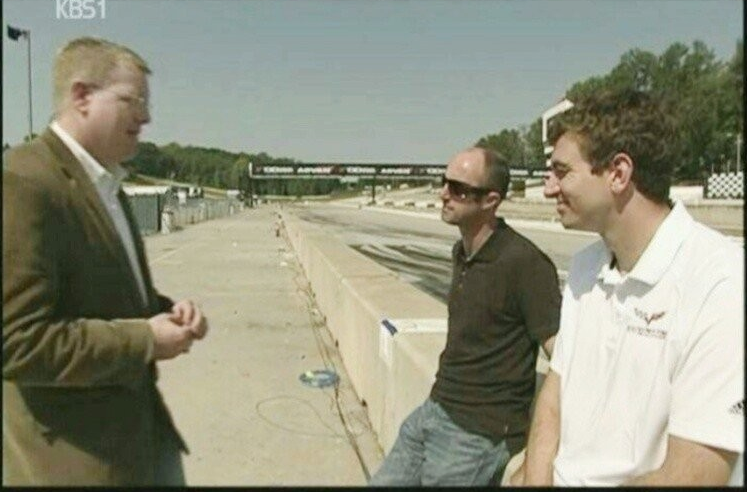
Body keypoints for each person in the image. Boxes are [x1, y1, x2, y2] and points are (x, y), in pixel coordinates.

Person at [3, 37, 209, 486]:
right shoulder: (25, 181)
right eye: (132, 100)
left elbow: (105, 295)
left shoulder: (105, 183)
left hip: (140, 437)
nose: (146, 117)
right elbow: (17, 341)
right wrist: (144, 340)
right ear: (82, 97)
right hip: (79, 461)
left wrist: (167, 310)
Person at [512, 87, 744, 486]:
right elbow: (555, 393)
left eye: (562, 172)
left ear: (618, 174)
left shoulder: (721, 281)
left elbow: (695, 474)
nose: (549, 188)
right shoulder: (585, 267)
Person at [368, 147, 561, 486]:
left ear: (490, 200)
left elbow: (561, 354)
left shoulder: (524, 263)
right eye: (444, 182)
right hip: (435, 409)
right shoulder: (462, 252)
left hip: (478, 434)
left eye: (457, 188)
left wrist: (538, 455)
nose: (444, 193)